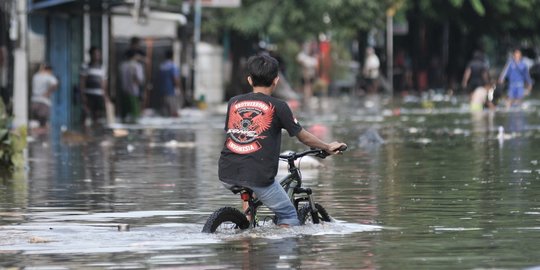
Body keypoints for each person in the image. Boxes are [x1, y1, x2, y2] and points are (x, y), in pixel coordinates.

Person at [218, 54, 347, 227]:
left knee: (250, 183)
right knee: (288, 215)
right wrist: (327, 146)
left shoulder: (233, 103)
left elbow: (238, 135)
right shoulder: (278, 106)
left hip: (227, 172)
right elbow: (303, 136)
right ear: (276, 80)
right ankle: (277, 248)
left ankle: (246, 225)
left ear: (250, 80)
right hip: (258, 174)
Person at [79, 46, 109, 125]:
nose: (97, 56)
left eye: (98, 54)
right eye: (95, 54)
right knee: (86, 115)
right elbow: (82, 81)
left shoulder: (102, 68)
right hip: (88, 94)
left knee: (98, 116)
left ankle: (96, 132)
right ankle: (85, 132)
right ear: (91, 55)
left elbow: (104, 83)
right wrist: (83, 95)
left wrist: (105, 96)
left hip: (99, 95)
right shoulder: (85, 66)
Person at [119, 49, 145, 122]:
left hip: (124, 92)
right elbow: (138, 79)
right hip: (134, 92)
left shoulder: (122, 65)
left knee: (124, 116)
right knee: (135, 115)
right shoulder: (136, 65)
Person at [30, 63, 58, 128]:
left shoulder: (35, 76)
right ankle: (42, 137)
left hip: (34, 100)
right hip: (44, 102)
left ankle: (35, 136)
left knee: (35, 122)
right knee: (43, 123)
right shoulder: (48, 76)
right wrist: (48, 93)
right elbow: (55, 84)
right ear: (48, 70)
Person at [157, 49, 181, 117]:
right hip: (171, 92)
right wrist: (178, 88)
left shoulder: (161, 66)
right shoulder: (173, 66)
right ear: (172, 56)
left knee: (164, 113)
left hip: (161, 92)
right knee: (173, 113)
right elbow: (175, 78)